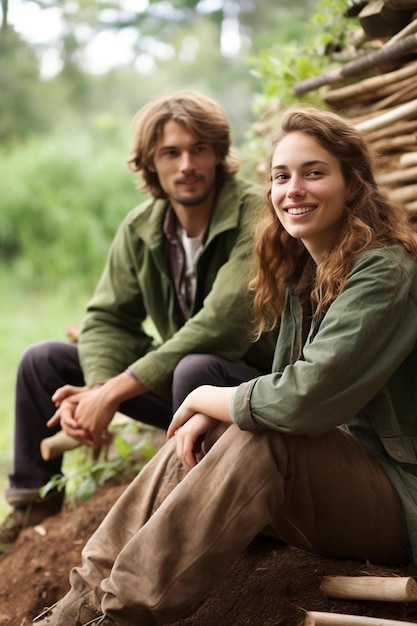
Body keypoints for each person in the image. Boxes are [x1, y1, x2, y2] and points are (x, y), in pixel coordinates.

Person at [32, 104, 417, 626]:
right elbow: (284, 394)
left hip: (400, 499)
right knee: (206, 433)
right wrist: (219, 413)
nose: (293, 189)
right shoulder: (306, 274)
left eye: (314, 172)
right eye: (282, 176)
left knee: (261, 430)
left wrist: (205, 397)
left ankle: (121, 615)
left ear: (353, 186)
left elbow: (303, 400)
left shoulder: (385, 273)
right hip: (343, 482)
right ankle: (74, 610)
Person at [0, 90, 276, 545]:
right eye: (171, 153)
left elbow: (222, 324)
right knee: (42, 361)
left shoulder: (256, 215)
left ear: (218, 155)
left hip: (251, 387)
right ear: (151, 163)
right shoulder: (141, 226)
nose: (186, 164)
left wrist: (112, 392)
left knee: (197, 366)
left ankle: (219, 517)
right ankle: (33, 508)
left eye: (198, 149)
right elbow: (108, 318)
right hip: (182, 386)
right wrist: (96, 390)